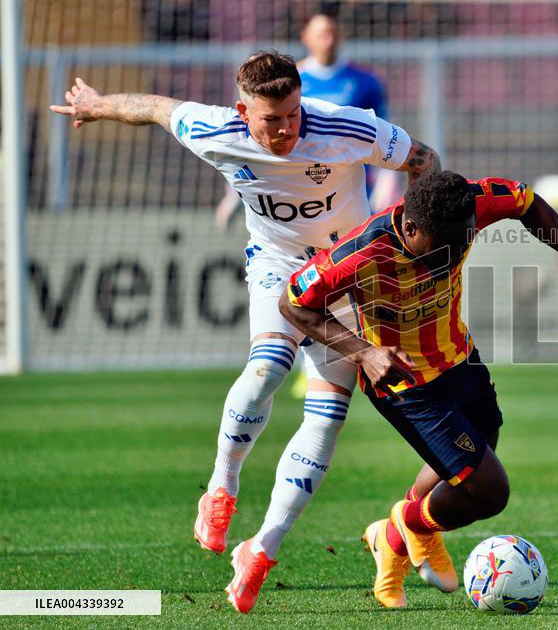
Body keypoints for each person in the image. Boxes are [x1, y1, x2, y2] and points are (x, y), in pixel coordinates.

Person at [49, 50, 442, 614]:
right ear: (243, 111)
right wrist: (98, 105)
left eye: (292, 114)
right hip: (278, 267)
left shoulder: (346, 126)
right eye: (270, 119)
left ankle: (261, 550)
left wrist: (402, 236)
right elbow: (156, 108)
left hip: (348, 271)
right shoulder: (215, 128)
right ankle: (222, 486)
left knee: (327, 417)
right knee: (266, 370)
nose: (285, 129)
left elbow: (425, 160)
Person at [278, 170, 558, 608]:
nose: (454, 254)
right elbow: (292, 303)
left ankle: (394, 538)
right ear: (412, 229)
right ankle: (409, 523)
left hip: (460, 358)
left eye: (463, 242)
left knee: (478, 453)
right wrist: (363, 352)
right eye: (444, 247)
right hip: (406, 385)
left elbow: (527, 202)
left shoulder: (470, 205)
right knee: (489, 491)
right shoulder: (359, 254)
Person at [215, 13, 398, 230]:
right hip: (296, 182)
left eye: (332, 34)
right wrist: (235, 192)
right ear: (306, 37)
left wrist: (387, 178)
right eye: (321, 35)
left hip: (352, 184)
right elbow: (252, 130)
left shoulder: (366, 81)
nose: (328, 41)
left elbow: (383, 131)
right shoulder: (290, 80)